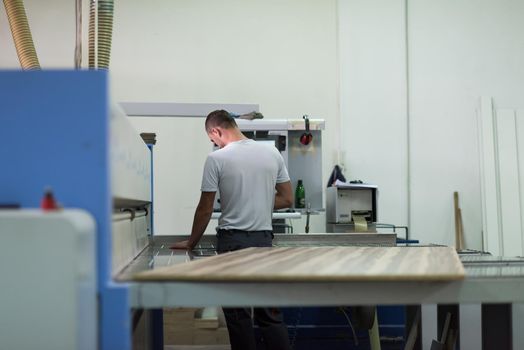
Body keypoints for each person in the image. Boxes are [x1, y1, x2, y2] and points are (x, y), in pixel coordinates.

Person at [171, 109, 293, 350]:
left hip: (232, 244)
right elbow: (287, 199)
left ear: (216, 131)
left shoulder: (217, 159)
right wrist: (257, 199)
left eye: (212, 139)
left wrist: (191, 242)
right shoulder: (271, 153)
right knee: (269, 316)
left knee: (238, 318)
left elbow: (206, 208)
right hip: (263, 243)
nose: (213, 143)